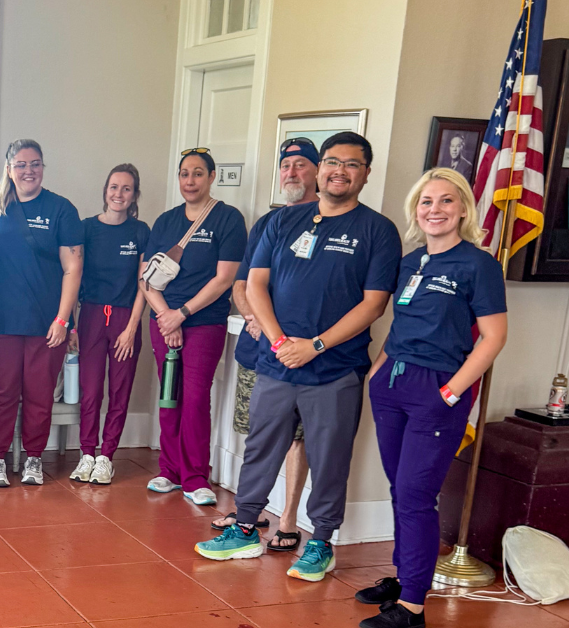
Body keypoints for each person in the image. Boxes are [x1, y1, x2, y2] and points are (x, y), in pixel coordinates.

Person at [195, 132, 401, 582]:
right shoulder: (284, 222)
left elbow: (373, 304)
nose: (339, 170)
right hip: (276, 361)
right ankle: (245, 527)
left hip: (334, 368)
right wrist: (278, 342)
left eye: (351, 164)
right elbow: (255, 285)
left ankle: (322, 542)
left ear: (366, 173)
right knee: (260, 448)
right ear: (321, 168)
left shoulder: (377, 231)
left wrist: (316, 345)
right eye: (332, 161)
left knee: (328, 456)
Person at [355, 168, 507, 628]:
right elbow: (400, 324)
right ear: (415, 211)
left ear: (463, 208)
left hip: (437, 391)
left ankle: (413, 607)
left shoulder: (479, 265)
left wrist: (452, 390)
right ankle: (405, 577)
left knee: (416, 495)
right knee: (400, 490)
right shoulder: (410, 260)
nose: (434, 210)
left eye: (445, 201)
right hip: (392, 385)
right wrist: (379, 370)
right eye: (426, 202)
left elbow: (494, 337)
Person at [211, 138, 319, 550]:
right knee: (256, 433)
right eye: (286, 165)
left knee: (296, 438)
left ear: (317, 171)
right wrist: (253, 315)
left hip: (303, 354)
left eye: (300, 165)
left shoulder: (327, 223)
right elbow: (242, 285)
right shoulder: (266, 224)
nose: (291, 173)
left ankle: (289, 519)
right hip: (259, 350)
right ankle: (249, 513)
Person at [0, 139, 83, 487]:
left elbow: (73, 268)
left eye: (35, 164)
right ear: (9, 169)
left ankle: (34, 459)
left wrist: (63, 319)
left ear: (42, 167)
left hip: (45, 323)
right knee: (1, 395)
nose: (28, 171)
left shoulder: (61, 209)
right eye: (20, 164)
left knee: (39, 394)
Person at [143, 148, 246, 506]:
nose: (190, 181)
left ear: (212, 177)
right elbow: (147, 279)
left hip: (203, 323)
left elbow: (224, 279)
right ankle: (169, 470)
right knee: (170, 396)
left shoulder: (228, 219)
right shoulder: (166, 221)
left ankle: (195, 476)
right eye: (185, 174)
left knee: (196, 397)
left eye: (198, 173)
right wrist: (164, 317)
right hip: (164, 321)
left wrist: (181, 314)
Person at [68, 164, 150, 485]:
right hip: (89, 314)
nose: (119, 194)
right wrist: (72, 324)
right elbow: (73, 277)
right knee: (91, 392)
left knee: (119, 390)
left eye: (126, 188)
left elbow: (145, 283)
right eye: (114, 187)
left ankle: (106, 457)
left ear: (134, 195)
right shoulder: (87, 228)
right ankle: (87, 453)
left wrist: (131, 328)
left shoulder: (141, 231)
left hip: (124, 318)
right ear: (105, 191)